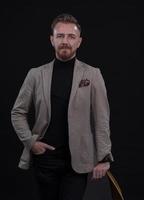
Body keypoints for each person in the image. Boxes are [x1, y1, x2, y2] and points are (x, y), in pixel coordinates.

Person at [11, 13, 113, 200]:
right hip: (44, 159)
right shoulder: (35, 74)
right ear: (52, 40)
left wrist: (104, 157)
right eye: (60, 36)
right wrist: (30, 142)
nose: (65, 41)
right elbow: (18, 112)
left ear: (79, 41)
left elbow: (101, 118)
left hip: (78, 162)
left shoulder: (93, 74)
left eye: (71, 36)